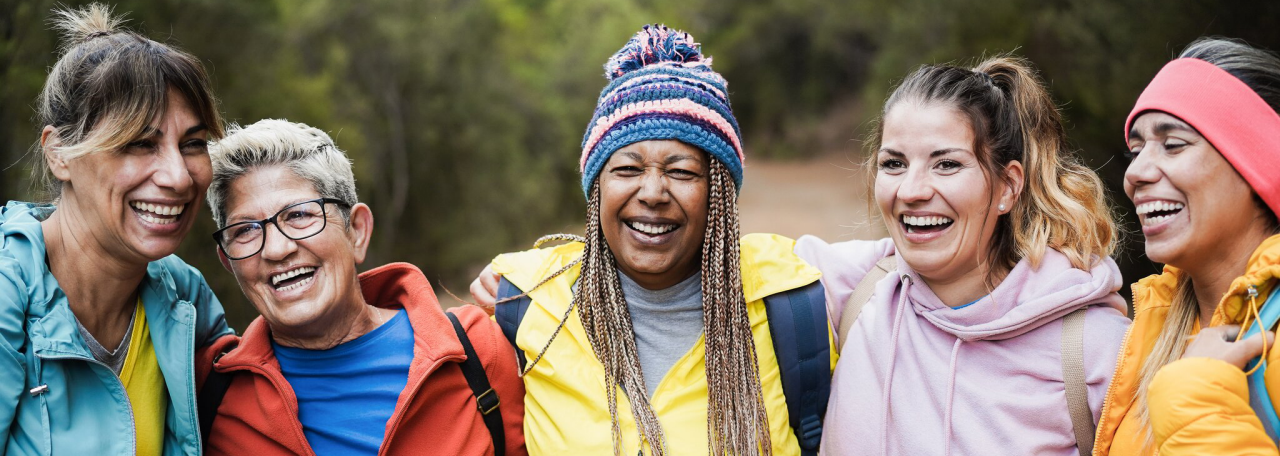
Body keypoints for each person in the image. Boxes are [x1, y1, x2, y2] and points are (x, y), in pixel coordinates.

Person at [471, 25, 834, 455]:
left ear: (717, 194)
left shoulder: (790, 307)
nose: (652, 193)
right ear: (597, 188)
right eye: (627, 169)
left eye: (681, 172)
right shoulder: (527, 306)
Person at [793, 56, 1130, 455]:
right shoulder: (850, 288)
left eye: (947, 164)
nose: (911, 190)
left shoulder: (1096, 350)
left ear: (1007, 187)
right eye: (894, 163)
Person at [195, 119, 525, 456]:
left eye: (298, 216)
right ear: (228, 260)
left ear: (357, 231)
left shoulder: (478, 351)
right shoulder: (206, 394)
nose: (277, 249)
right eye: (246, 230)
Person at [0, 4, 233, 455]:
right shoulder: (8, 294)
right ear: (59, 153)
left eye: (193, 144)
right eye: (139, 144)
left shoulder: (185, 298)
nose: (179, 177)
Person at [1093, 37, 1280, 455]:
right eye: (1136, 150)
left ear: (1257, 166)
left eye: (1173, 144)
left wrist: (1195, 396)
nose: (1135, 173)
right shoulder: (1147, 331)